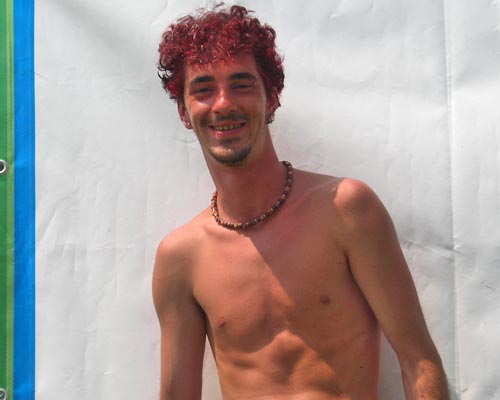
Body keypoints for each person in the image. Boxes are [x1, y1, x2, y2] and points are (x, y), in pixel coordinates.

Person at [153, 4, 450, 400]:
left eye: (241, 84)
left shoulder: (346, 210)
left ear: (272, 98)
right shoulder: (181, 258)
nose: (223, 104)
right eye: (204, 89)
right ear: (183, 111)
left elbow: (420, 363)